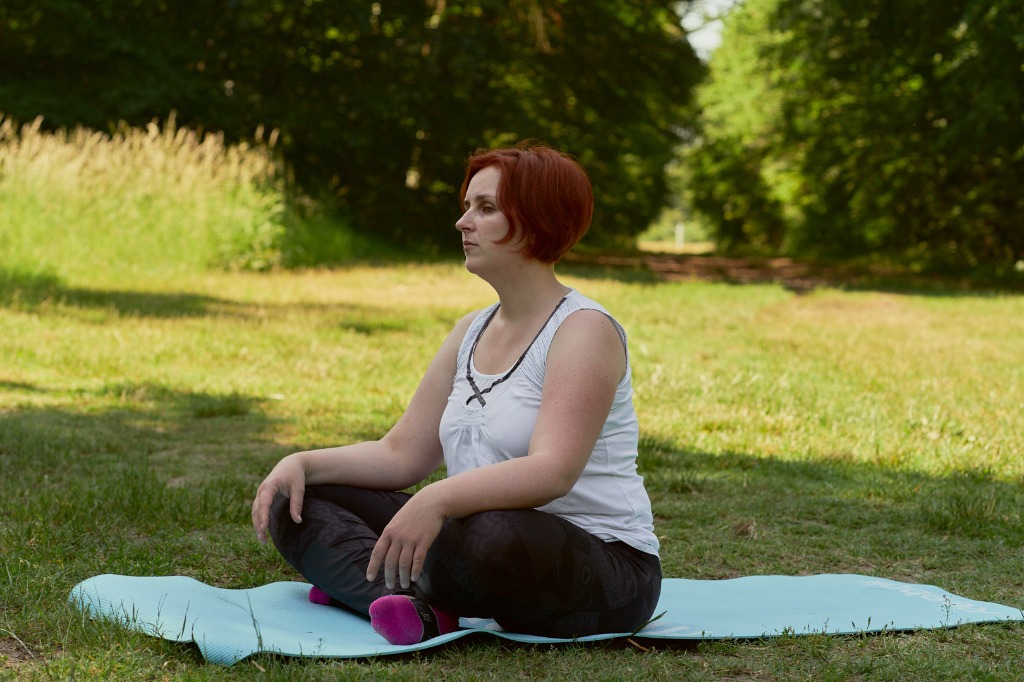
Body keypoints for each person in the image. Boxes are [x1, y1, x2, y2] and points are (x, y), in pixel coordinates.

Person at [251, 141, 661, 646]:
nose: (463, 222)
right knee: (297, 497)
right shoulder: (471, 329)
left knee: (490, 536)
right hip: (468, 536)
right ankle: (412, 608)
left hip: (601, 566)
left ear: (537, 222)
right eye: (467, 206)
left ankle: (363, 589)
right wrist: (305, 462)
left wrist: (439, 500)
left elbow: (552, 471)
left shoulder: (583, 330)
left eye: (485, 209)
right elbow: (401, 454)